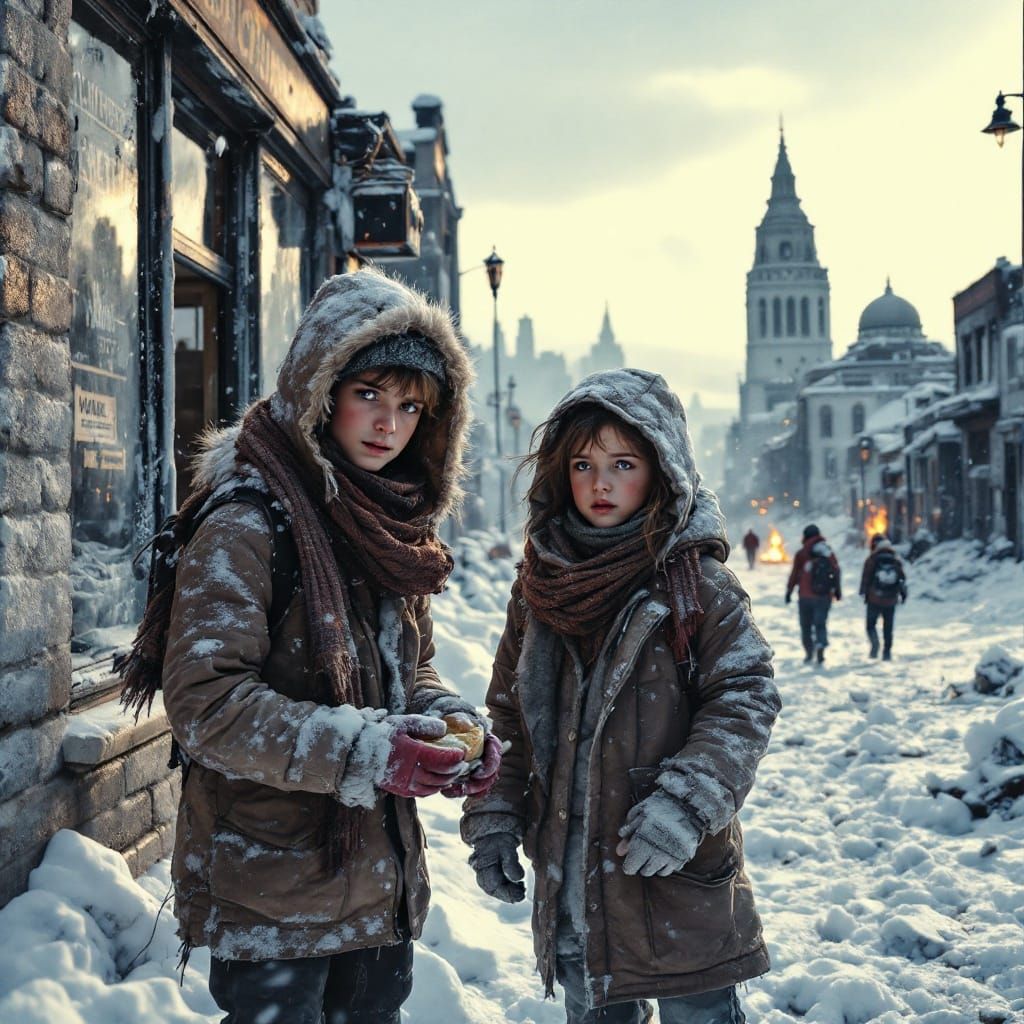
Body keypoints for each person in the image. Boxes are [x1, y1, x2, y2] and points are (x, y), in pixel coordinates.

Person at [122, 269, 501, 1024]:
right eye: (369, 394)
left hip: (373, 877)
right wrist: (368, 752)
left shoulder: (385, 526)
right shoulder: (247, 522)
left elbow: (407, 668)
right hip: (273, 884)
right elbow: (208, 703)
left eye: (410, 406)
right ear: (320, 389)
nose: (388, 423)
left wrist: (442, 722)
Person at [461, 369, 780, 1024]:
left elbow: (745, 696)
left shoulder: (698, 585)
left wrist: (687, 803)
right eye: (583, 463)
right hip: (576, 884)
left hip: (674, 879)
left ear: (661, 471)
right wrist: (496, 815)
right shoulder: (542, 588)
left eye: (622, 463)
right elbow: (509, 716)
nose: (599, 484)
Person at [785, 523, 841, 665]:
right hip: (824, 596)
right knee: (820, 624)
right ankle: (821, 645)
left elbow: (795, 574)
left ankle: (809, 653)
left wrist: (789, 591)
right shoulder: (827, 552)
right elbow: (835, 571)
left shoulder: (802, 553)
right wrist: (837, 590)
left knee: (806, 626)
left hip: (805, 596)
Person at [859, 536, 907, 660]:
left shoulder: (872, 559)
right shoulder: (895, 559)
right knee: (888, 627)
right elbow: (902, 579)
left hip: (874, 598)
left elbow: (866, 577)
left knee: (870, 625)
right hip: (890, 599)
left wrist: (864, 592)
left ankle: (875, 644)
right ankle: (887, 652)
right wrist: (902, 595)